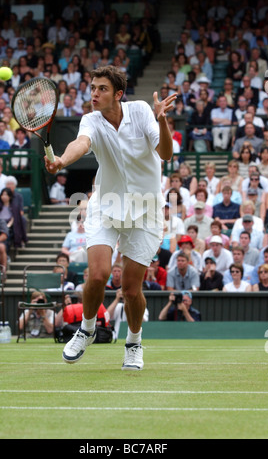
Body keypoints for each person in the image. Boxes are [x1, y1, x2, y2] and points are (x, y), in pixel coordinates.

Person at [45, 65, 177, 371]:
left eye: (101, 89)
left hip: (146, 211)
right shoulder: (90, 120)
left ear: (118, 94)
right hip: (105, 206)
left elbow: (166, 154)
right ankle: (87, 329)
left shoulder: (143, 111)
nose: (94, 94)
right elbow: (82, 144)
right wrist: (62, 160)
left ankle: (133, 342)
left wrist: (162, 120)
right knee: (98, 275)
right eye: (92, 88)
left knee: (131, 289)